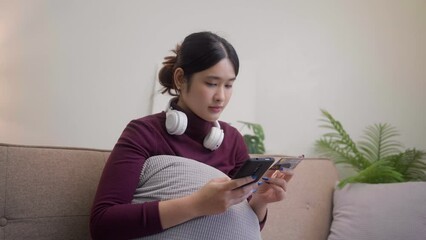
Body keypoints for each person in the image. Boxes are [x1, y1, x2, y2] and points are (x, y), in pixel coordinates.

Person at [90, 31, 293, 240]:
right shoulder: (143, 133)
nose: (221, 97)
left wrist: (260, 202)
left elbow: (239, 228)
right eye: (211, 83)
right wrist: (197, 205)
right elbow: (102, 225)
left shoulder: (232, 141)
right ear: (180, 78)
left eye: (229, 85)